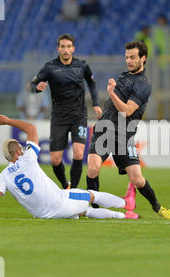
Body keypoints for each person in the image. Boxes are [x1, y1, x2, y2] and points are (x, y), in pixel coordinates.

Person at [0, 113, 138, 220]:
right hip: (59, 201)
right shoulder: (28, 158)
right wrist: (8, 121)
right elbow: (31, 129)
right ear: (18, 151)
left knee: (86, 211)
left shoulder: (3, 176)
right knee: (91, 195)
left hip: (44, 215)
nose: (24, 150)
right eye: (21, 148)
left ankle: (125, 216)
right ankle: (126, 204)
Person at [85, 41, 170, 220]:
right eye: (127, 57)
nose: (128, 60)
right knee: (93, 169)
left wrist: (111, 93)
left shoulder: (143, 84)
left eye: (133, 57)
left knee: (137, 179)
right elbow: (113, 105)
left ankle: (158, 208)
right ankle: (95, 210)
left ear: (143, 58)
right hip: (104, 130)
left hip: (123, 136)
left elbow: (126, 110)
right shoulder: (124, 76)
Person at [30, 34, 102, 190]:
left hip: (79, 116)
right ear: (58, 48)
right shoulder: (50, 67)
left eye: (69, 46)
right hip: (59, 117)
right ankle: (66, 185)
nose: (66, 50)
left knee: (78, 152)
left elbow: (92, 83)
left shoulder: (82, 66)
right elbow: (32, 84)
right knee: (55, 159)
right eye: (63, 46)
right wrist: (37, 88)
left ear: (73, 48)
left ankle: (74, 191)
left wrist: (96, 104)